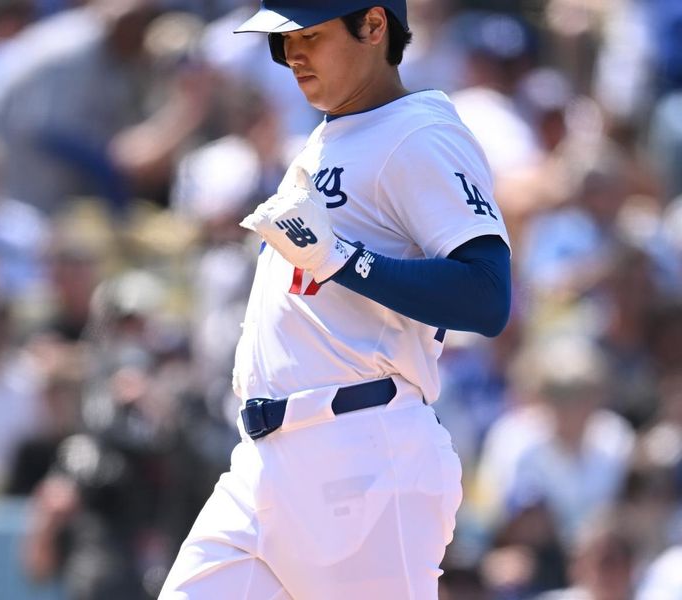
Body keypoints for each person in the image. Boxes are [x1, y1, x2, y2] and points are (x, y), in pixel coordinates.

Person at [161, 1, 512, 598]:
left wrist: (343, 260)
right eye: (282, 40)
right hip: (265, 461)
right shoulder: (332, 133)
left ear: (374, 26)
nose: (292, 53)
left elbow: (486, 294)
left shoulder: (419, 133)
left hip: (362, 453)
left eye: (310, 35)